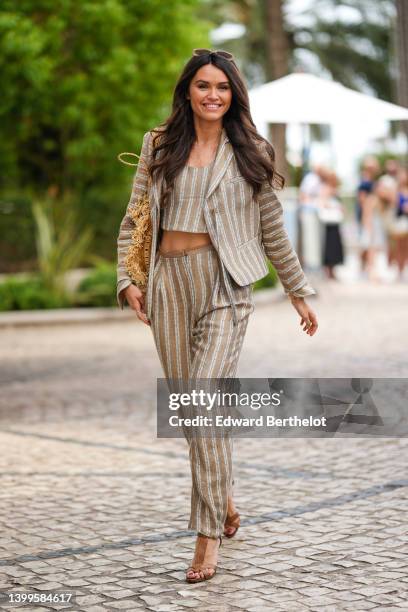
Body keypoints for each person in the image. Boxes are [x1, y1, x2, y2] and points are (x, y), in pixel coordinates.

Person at [116, 48, 318, 584]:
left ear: (234, 94)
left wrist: (297, 290)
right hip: (168, 284)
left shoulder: (251, 148)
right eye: (203, 85)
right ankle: (222, 497)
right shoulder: (159, 144)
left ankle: (207, 539)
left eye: (222, 87)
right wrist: (127, 279)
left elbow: (272, 223)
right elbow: (136, 216)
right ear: (188, 90)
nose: (212, 95)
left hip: (226, 282)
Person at [317, 169, 344, 279]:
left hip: (335, 222)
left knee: (335, 246)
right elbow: (322, 203)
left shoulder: (335, 190)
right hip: (328, 223)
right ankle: (328, 270)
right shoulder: (325, 189)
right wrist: (334, 206)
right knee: (329, 246)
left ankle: (333, 269)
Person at [356, 156, 380, 273]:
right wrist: (366, 218)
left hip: (370, 216)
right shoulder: (365, 182)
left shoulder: (371, 181)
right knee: (367, 243)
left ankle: (363, 268)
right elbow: (362, 200)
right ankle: (365, 268)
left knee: (367, 243)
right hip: (366, 216)